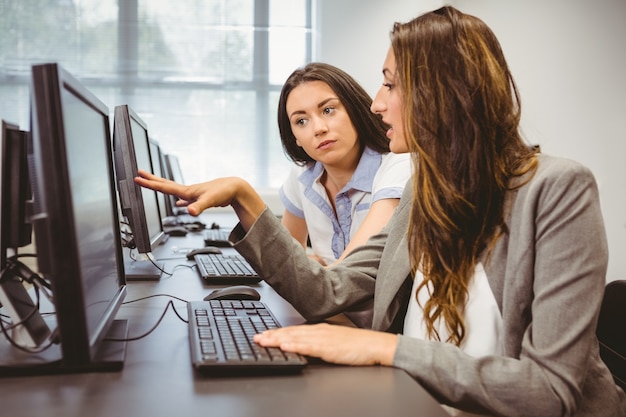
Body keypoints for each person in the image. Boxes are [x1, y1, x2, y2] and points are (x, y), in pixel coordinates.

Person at [135, 6, 626, 416]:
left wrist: (384, 349)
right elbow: (329, 290)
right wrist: (244, 197)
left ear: (444, 91)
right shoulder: (424, 193)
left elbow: (550, 390)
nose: (375, 104)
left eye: (390, 86)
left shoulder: (558, 189)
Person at [277, 63, 411, 266]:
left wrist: (309, 272)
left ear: (354, 108)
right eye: (301, 121)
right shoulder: (303, 173)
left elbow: (347, 275)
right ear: (294, 136)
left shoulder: (397, 163)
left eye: (328, 110)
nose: (319, 129)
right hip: (323, 295)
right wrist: (306, 264)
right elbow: (283, 262)